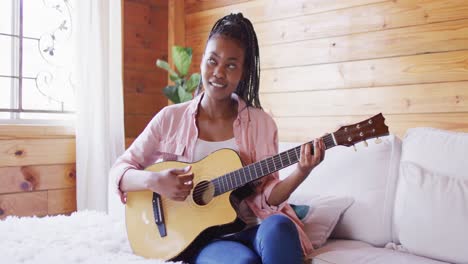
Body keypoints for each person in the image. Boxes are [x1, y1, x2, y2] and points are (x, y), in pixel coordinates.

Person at [109, 13, 325, 264]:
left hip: (255, 228)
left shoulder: (262, 124)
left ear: (243, 72)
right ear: (201, 62)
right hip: (204, 240)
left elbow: (269, 197)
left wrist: (302, 170)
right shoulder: (169, 119)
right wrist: (154, 180)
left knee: (280, 227)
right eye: (213, 61)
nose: (219, 72)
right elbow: (119, 171)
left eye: (231, 65)